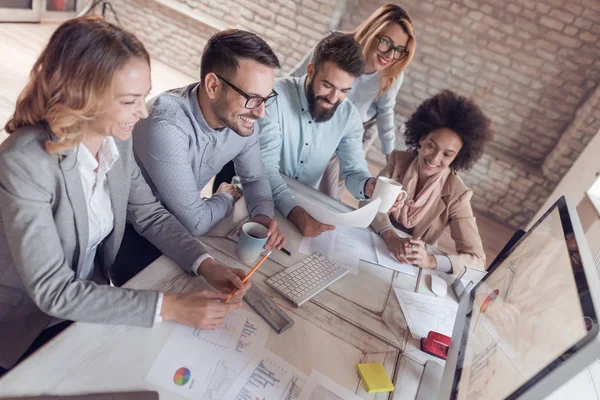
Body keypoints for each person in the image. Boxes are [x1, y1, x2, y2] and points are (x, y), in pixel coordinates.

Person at [0, 17, 248, 372]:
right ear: (82, 95)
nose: (143, 112)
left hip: (93, 304)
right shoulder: (24, 163)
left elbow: (149, 213)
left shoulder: (116, 138)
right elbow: (52, 290)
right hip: (21, 325)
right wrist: (170, 306)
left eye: (144, 97)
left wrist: (206, 264)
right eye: (131, 100)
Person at [121, 29, 286, 286]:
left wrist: (262, 215)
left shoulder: (243, 118)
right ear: (213, 86)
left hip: (184, 225)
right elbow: (195, 222)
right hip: (131, 234)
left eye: (266, 99)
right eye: (253, 99)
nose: (261, 113)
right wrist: (226, 196)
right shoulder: (166, 126)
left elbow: (254, 178)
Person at [288, 4, 417, 199]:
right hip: (320, 114)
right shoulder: (335, 44)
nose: (390, 55)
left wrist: (391, 157)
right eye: (386, 43)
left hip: (359, 129)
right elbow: (297, 77)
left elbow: (385, 112)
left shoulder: (392, 75)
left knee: (331, 190)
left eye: (399, 50)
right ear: (372, 32)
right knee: (301, 170)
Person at [258, 32, 377, 237]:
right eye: (328, 85)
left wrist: (368, 186)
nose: (333, 98)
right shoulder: (273, 97)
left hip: (304, 209)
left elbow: (353, 172)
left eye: (343, 91)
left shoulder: (348, 116)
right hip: (258, 197)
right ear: (311, 70)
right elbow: (264, 168)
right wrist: (294, 212)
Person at [370, 90, 492, 272]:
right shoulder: (397, 161)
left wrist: (430, 261)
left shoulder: (457, 194)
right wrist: (391, 237)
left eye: (447, 155)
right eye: (431, 146)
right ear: (421, 140)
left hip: (408, 267)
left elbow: (476, 260)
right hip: (372, 242)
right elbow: (369, 202)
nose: (434, 159)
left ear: (457, 158)